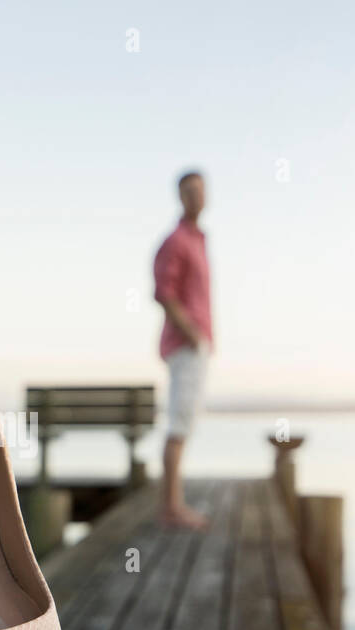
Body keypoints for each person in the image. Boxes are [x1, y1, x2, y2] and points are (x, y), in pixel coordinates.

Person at [152, 169, 215, 530]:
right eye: (189, 190)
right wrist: (191, 331)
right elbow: (163, 292)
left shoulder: (199, 240)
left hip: (195, 345)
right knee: (179, 422)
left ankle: (172, 505)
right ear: (180, 196)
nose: (196, 197)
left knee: (184, 422)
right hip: (185, 345)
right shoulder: (176, 241)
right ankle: (172, 508)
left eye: (201, 190)